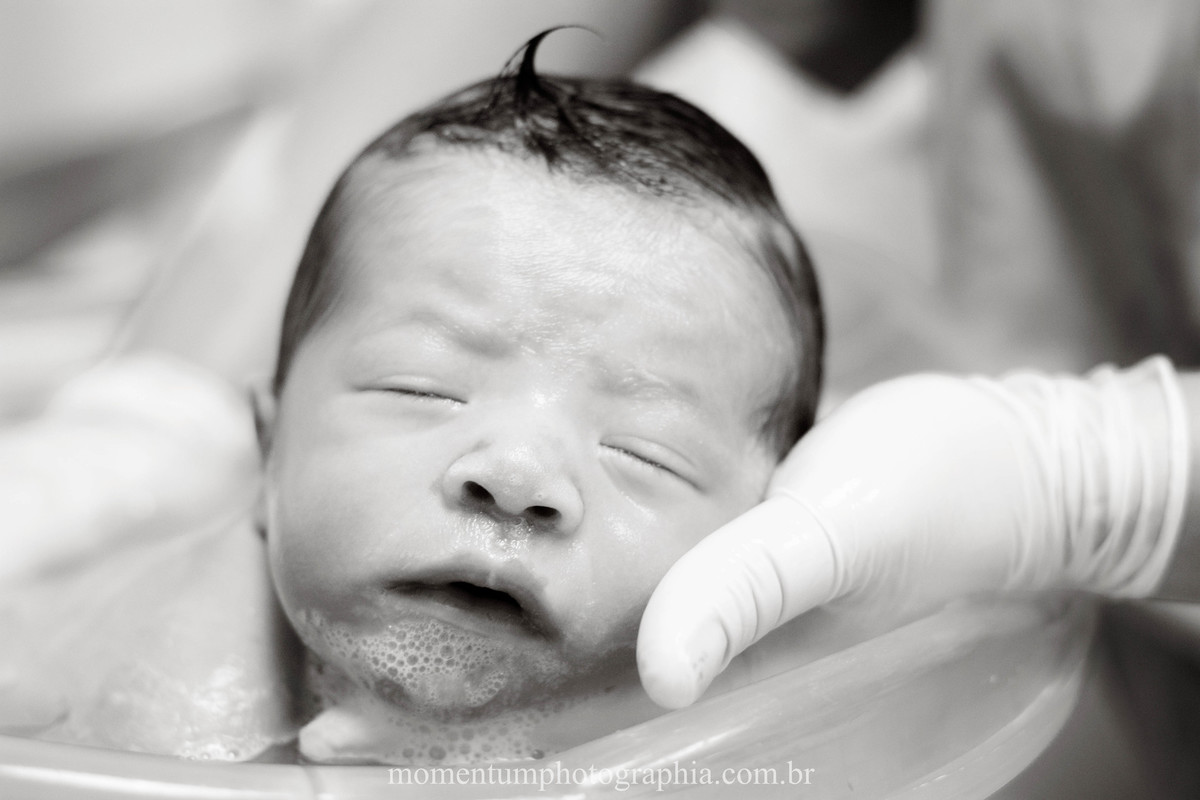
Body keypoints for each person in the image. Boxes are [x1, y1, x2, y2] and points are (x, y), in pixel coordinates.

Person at [0, 32, 824, 765]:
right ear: (269, 450)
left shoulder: (776, 685)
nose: (516, 475)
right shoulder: (191, 676)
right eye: (422, 389)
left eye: (644, 450)